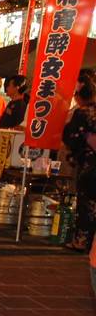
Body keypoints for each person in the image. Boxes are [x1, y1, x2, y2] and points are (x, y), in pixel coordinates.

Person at [64, 79, 96, 251]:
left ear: (78, 97)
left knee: (87, 204)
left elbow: (71, 138)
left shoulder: (82, 113)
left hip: (89, 166)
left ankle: (82, 241)